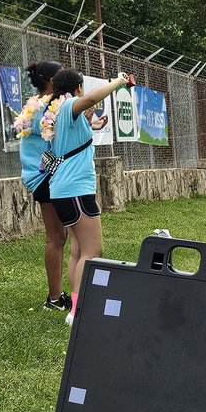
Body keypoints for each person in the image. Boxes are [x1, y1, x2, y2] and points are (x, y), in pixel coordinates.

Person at [42, 68, 134, 324]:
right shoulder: (71, 104)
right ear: (78, 87)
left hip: (62, 190)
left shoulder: (57, 111)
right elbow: (92, 100)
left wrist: (92, 125)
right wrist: (118, 81)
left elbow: (72, 140)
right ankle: (79, 309)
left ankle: (75, 305)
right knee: (93, 250)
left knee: (78, 249)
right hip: (76, 191)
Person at [15, 61, 70, 310]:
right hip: (45, 177)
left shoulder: (34, 104)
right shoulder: (48, 107)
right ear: (51, 81)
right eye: (60, 77)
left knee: (59, 236)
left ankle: (57, 296)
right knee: (56, 237)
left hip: (41, 176)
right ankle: (55, 298)